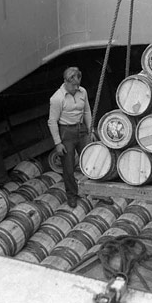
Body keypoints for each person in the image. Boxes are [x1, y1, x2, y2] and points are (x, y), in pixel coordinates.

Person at [47, 67, 96, 208]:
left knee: (91, 161)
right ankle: (72, 195)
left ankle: (98, 193)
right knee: (68, 168)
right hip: (66, 133)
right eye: (73, 85)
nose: (76, 87)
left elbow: (87, 111)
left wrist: (90, 129)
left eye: (78, 84)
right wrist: (58, 143)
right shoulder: (57, 98)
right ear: (65, 82)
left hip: (81, 130)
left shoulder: (83, 91)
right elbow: (52, 122)